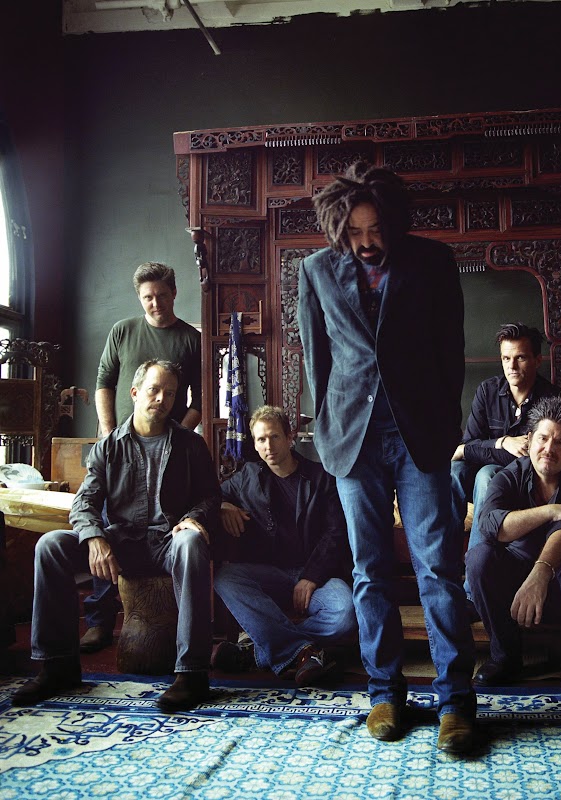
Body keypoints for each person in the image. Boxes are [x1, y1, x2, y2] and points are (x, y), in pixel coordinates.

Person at [298, 162, 476, 752]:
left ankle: (455, 702)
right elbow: (317, 361)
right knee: (369, 570)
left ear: (393, 221)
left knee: (438, 569)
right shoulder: (315, 271)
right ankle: (385, 694)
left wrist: (444, 424)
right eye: (355, 232)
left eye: (375, 229)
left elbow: (451, 349)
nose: (367, 241)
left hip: (419, 438)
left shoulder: (433, 260)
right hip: (353, 442)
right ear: (338, 228)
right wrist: (329, 429)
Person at [12, 360, 220, 713]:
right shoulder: (108, 446)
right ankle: (57, 665)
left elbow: (211, 496)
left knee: (191, 542)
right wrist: (95, 538)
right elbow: (85, 503)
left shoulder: (190, 444)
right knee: (51, 545)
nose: (162, 399)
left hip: (168, 541)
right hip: (122, 541)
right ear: (135, 393)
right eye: (154, 390)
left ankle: (192, 673)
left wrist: (193, 518)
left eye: (170, 393)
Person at [84, 262, 202, 654]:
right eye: (148, 297)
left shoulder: (190, 339)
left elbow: (201, 399)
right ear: (140, 297)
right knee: (108, 527)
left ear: (174, 293)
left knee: (169, 529)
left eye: (162, 296)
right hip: (120, 446)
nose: (155, 303)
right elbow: (104, 381)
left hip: (167, 447)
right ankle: (99, 622)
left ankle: (184, 635)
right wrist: (107, 431)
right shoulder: (123, 331)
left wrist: (179, 432)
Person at [211, 405, 357, 685]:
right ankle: (303, 652)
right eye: (261, 439)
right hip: (269, 575)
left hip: (316, 576)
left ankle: (257, 651)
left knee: (345, 614)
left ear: (289, 437)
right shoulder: (247, 477)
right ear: (255, 445)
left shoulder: (321, 477)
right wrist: (223, 505)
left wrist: (311, 577)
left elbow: (335, 533)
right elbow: (210, 496)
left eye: (275, 436)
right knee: (226, 577)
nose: (269, 446)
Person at [466, 395, 561, 696]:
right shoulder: (509, 475)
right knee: (479, 558)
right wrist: (551, 510)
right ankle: (505, 658)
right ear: (529, 440)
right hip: (516, 587)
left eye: (560, 442)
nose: (549, 449)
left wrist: (541, 572)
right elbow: (492, 526)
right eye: (543, 438)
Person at [451, 322, 557, 600]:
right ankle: (445, 569)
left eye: (520, 358)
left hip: (522, 482)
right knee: (455, 470)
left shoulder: (550, 399)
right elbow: (469, 445)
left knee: (487, 474)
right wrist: (502, 442)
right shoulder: (488, 391)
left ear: (537, 360)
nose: (511, 366)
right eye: (506, 358)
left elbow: (531, 458)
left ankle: (473, 588)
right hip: (484, 476)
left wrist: (479, 450)